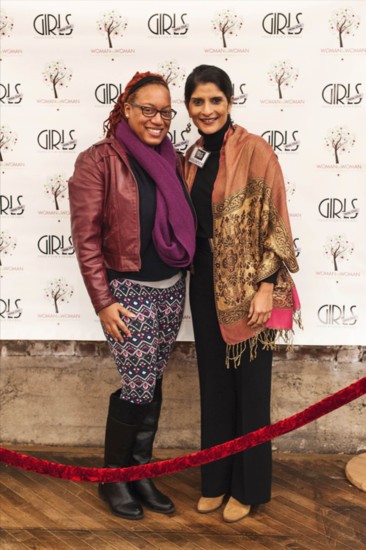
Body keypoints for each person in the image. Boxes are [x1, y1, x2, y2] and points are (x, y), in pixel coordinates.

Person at [68, 71, 196, 520]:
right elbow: (86, 239)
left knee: (150, 383)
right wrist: (103, 301)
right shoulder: (99, 160)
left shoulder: (174, 160)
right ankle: (113, 479)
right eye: (148, 109)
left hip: (170, 289)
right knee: (137, 388)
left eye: (165, 111)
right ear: (127, 109)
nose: (158, 119)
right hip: (128, 292)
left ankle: (139, 472)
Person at [184, 65, 301, 523]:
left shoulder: (255, 151)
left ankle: (247, 489)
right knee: (214, 385)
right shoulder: (192, 154)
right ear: (189, 108)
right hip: (206, 279)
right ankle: (214, 481)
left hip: (252, 285)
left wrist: (266, 288)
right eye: (198, 102)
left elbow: (276, 221)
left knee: (251, 391)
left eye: (215, 100)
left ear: (230, 102)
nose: (207, 110)